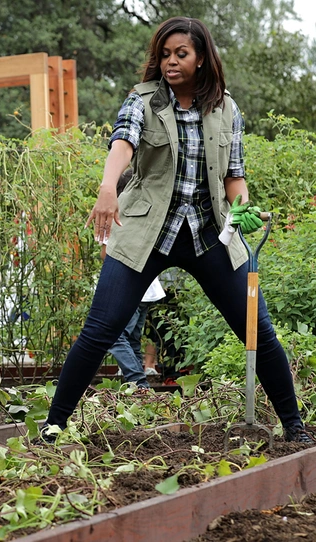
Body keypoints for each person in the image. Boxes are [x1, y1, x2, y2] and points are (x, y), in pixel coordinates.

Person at [42, 17, 313, 444]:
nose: (170, 62)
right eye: (165, 54)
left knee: (257, 330)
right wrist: (107, 187)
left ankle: (294, 426)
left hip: (210, 235)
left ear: (201, 59)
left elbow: (235, 175)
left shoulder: (226, 107)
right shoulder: (143, 100)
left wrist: (241, 207)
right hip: (146, 233)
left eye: (180, 54)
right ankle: (52, 427)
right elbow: (123, 144)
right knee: (100, 329)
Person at [105, 169, 166, 389]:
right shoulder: (148, 215)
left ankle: (138, 382)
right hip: (148, 290)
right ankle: (135, 387)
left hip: (127, 287)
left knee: (115, 335)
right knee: (131, 338)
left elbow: (106, 254)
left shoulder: (115, 215)